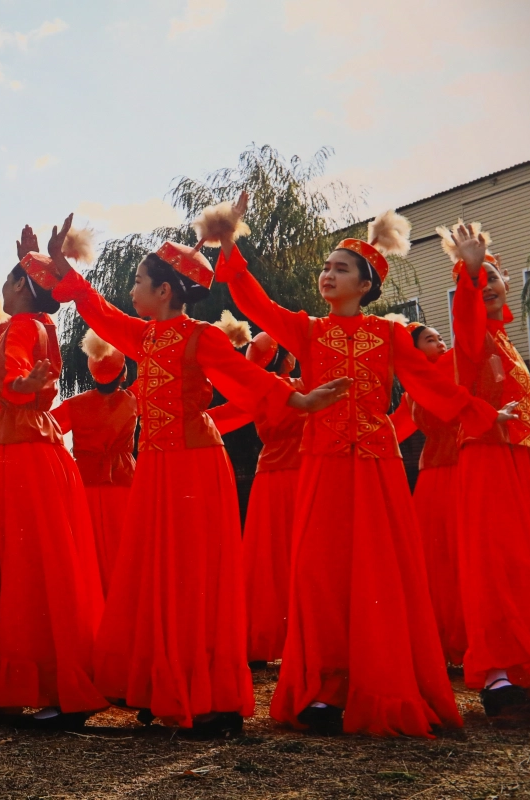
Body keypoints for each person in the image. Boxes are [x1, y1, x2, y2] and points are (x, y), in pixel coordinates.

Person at [47, 207, 350, 736]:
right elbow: (97, 312)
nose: (133, 289)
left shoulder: (200, 337)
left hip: (193, 468)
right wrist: (61, 270)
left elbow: (247, 380)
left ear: (165, 291)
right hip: (157, 469)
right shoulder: (143, 337)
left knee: (191, 579)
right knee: (152, 574)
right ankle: (158, 683)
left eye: (139, 282)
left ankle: (208, 696)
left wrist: (299, 399)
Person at [215, 196, 510, 737]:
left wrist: (483, 414)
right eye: (326, 267)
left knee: (379, 575)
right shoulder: (306, 330)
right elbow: (256, 306)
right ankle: (327, 688)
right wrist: (231, 246)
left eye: (340, 268)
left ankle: (383, 680)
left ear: (367, 284)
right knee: (322, 576)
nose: (328, 275)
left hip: (377, 468)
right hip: (323, 465)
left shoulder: (391, 335)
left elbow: (433, 386)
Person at [0, 225, 106, 726]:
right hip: (39, 452)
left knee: (24, 571)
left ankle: (41, 684)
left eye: (11, 284)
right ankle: (55, 681)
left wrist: (18, 384)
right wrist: (24, 263)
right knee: (47, 569)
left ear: (18, 290)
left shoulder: (19, 329)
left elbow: (10, 380)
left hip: (21, 456)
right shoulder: (42, 327)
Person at [444, 221, 530, 728]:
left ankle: (529, 672)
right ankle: (498, 680)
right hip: (488, 460)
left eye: (492, 276)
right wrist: (470, 268)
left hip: (522, 461)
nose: (486, 284)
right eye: (477, 280)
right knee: (497, 563)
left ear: (508, 281)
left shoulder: (509, 345)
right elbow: (465, 320)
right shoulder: (471, 340)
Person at [207, 328, 306, 666]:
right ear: (288, 359)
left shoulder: (259, 394)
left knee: (267, 561)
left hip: (269, 479)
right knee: (304, 557)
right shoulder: (305, 389)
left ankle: (260, 638)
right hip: (305, 473)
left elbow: (220, 418)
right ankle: (306, 637)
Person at [387, 322, 466, 667]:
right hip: (432, 475)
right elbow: (393, 429)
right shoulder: (412, 393)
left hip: (463, 467)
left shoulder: (458, 372)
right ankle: (441, 642)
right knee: (435, 559)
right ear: (414, 351)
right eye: (430, 340)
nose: (440, 342)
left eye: (440, 338)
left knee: (462, 553)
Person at [51, 329, 137, 593]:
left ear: (91, 373)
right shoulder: (133, 400)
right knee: (125, 551)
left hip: (84, 483)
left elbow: (45, 429)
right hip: (124, 483)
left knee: (88, 553)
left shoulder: (74, 405)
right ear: (123, 374)